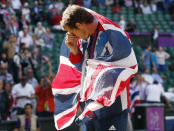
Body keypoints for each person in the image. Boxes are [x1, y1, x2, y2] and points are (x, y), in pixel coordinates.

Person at [53, 5, 138, 131]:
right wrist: (74, 51)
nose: (73, 35)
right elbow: (83, 73)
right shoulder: (86, 40)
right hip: (91, 108)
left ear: (79, 25)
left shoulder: (112, 35)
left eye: (72, 31)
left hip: (112, 107)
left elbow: (121, 69)